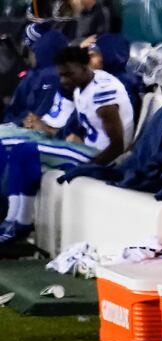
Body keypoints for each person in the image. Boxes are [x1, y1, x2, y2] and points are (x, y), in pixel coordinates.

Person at [0, 46, 133, 245]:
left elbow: (117, 145)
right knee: (20, 151)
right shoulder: (84, 85)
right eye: (61, 75)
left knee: (26, 151)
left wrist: (91, 167)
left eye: (69, 74)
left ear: (84, 66)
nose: (64, 81)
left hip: (97, 155)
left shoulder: (103, 93)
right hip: (86, 148)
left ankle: (21, 222)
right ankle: (13, 219)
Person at [2, 30, 68, 127]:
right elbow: (12, 110)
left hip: (42, 129)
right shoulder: (32, 75)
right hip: (23, 127)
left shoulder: (56, 76)